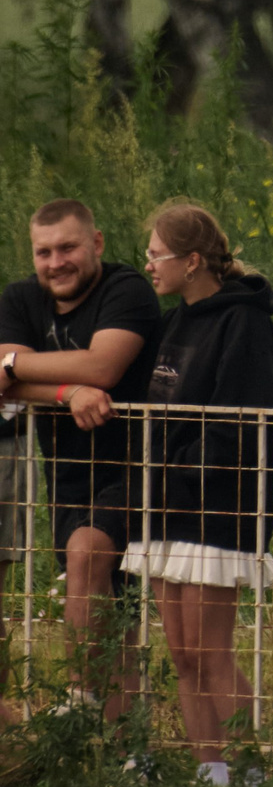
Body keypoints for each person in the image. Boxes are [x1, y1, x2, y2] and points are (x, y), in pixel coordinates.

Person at [121, 202, 273, 787]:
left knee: (210, 647)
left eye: (156, 255)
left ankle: (249, 769)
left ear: (192, 261)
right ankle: (208, 770)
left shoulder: (244, 323)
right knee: (181, 652)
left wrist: (182, 471)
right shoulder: (175, 323)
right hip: (166, 505)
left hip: (218, 509)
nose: (149, 265)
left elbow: (239, 425)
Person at [0, 199, 161, 716]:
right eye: (43, 252)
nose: (55, 262)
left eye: (67, 247)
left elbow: (104, 366)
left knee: (89, 558)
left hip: (141, 465)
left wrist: (15, 364)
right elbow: (7, 384)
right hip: (68, 473)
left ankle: (82, 701)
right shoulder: (21, 298)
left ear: (96, 243)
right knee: (104, 593)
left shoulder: (126, 288)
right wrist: (67, 391)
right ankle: (116, 737)